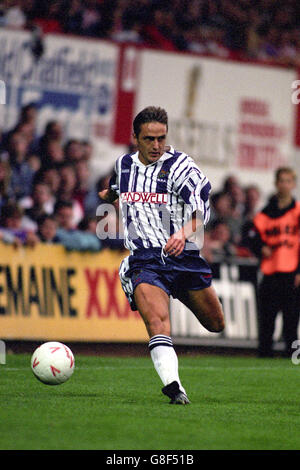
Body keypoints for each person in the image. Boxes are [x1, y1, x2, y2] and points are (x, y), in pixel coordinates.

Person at [99, 106, 224, 405]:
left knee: (216, 324)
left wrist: (182, 233)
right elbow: (118, 188)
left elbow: (201, 208)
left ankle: (173, 379)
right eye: (149, 139)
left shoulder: (180, 166)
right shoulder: (123, 165)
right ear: (135, 138)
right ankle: (173, 386)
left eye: (161, 138)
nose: (156, 145)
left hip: (183, 258)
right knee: (157, 322)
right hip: (146, 260)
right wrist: (109, 196)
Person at [246, 167, 300, 358]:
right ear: (276, 183)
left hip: (291, 274)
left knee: (291, 321)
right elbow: (250, 235)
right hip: (270, 273)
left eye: (288, 181)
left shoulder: (297, 212)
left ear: (293, 184)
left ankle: (293, 357)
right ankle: (264, 356)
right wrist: (260, 247)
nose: (284, 185)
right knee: (267, 321)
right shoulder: (265, 214)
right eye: (281, 181)